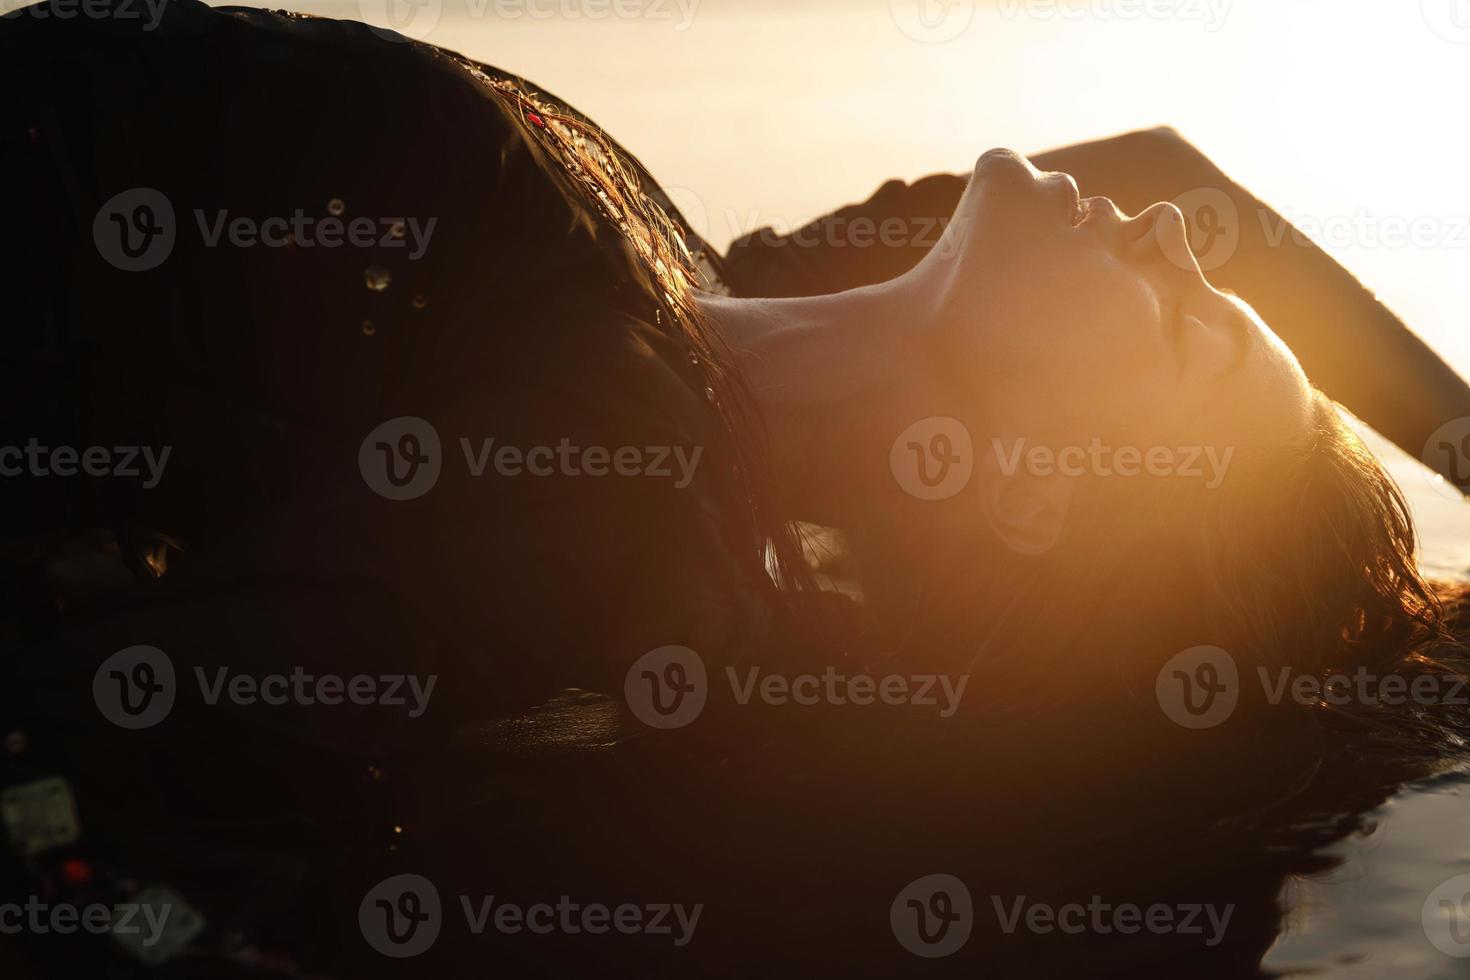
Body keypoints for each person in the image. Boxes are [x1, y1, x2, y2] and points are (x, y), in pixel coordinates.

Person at [1, 2, 1467, 975]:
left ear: (1032, 490)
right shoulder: (732, 285)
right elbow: (1170, 171)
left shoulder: (597, 514)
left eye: (1178, 324)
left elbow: (80, 745)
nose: (1168, 232)